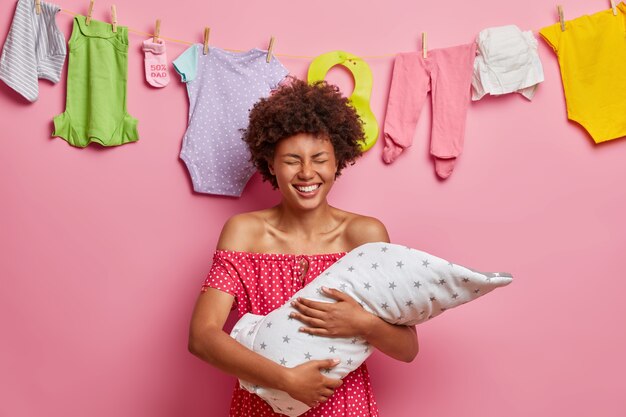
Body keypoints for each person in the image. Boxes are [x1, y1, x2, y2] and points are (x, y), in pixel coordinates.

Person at [188, 78, 419, 416]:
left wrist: (362, 323)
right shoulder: (244, 233)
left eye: (319, 158)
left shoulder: (365, 235)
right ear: (271, 165)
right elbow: (202, 335)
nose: (307, 172)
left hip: (344, 407)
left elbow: (408, 348)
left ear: (337, 161)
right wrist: (286, 380)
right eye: (292, 160)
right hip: (261, 407)